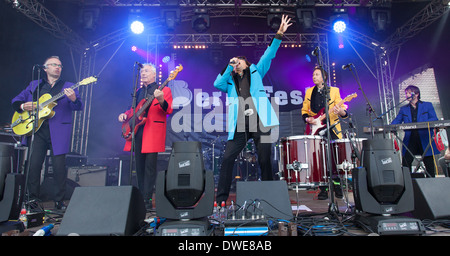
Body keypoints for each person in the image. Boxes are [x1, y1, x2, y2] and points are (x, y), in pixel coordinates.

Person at [213, 14, 292, 205]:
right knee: (227, 158)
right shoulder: (230, 82)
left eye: (239, 61)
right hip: (240, 122)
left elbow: (269, 54)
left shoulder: (256, 71)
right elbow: (217, 83)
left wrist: (279, 33)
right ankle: (221, 198)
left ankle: (269, 196)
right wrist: (228, 65)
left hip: (260, 119)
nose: (237, 63)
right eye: (235, 62)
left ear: (246, 64)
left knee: (265, 159)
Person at [11, 56, 83, 210]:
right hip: (37, 129)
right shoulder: (35, 84)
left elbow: (78, 106)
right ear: (45, 68)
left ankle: (59, 201)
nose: (58, 67)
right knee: (34, 165)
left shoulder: (68, 86)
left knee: (59, 167)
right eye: (54, 65)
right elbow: (16, 100)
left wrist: (74, 98)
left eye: (60, 65)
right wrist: (23, 106)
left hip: (59, 130)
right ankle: (33, 199)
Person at [118, 63, 173, 210]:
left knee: (150, 166)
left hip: (152, 130)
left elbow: (168, 109)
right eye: (142, 71)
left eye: (146, 71)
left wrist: (161, 99)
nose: (143, 73)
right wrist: (125, 115)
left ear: (154, 74)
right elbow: (133, 110)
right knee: (139, 166)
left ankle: (148, 198)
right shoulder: (138, 91)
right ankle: (141, 196)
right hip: (138, 130)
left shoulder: (164, 89)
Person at [301, 67, 348, 200]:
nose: (314, 77)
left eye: (317, 74)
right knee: (319, 158)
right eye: (313, 74)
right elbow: (304, 109)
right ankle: (322, 188)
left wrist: (341, 111)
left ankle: (337, 186)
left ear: (324, 77)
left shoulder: (334, 91)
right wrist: (307, 118)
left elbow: (343, 111)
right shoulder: (309, 92)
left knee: (334, 157)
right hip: (315, 127)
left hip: (331, 127)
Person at [391, 85, 440, 177]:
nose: (407, 95)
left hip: (424, 138)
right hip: (410, 139)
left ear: (416, 94)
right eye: (406, 93)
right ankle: (408, 184)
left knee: (429, 162)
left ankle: (431, 182)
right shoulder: (403, 109)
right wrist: (389, 127)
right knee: (406, 162)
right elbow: (397, 120)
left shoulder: (427, 105)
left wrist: (420, 123)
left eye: (409, 93)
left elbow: (434, 119)